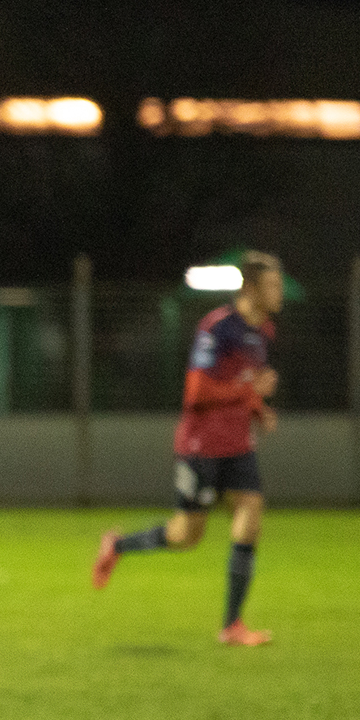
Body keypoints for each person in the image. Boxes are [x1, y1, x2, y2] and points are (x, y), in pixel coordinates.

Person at [93, 251, 285, 646]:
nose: (279, 292)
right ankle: (117, 545)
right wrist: (250, 392)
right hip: (201, 446)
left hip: (237, 445)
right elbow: (197, 394)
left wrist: (257, 408)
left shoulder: (264, 331)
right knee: (186, 536)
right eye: (273, 285)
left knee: (251, 512)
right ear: (251, 288)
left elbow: (239, 383)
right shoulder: (218, 328)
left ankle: (232, 625)